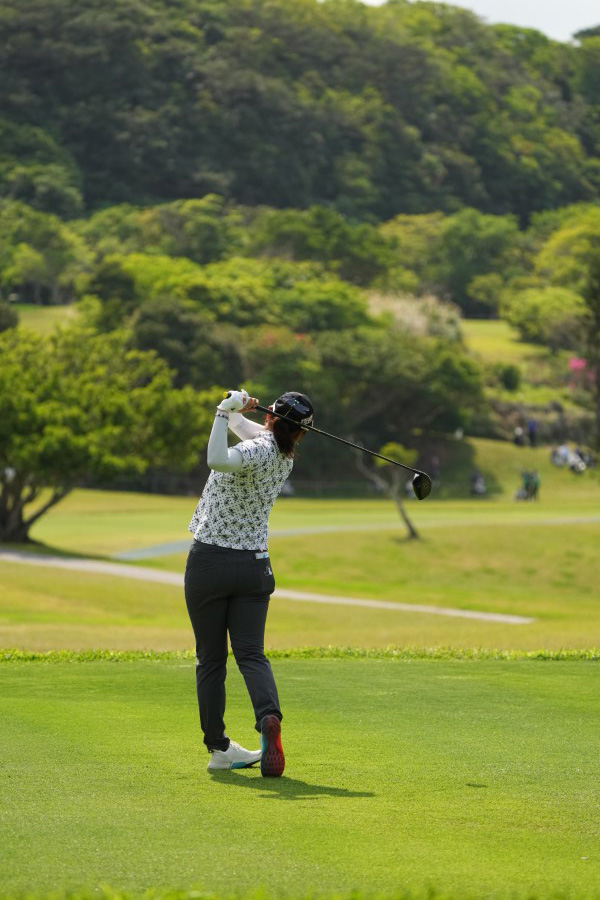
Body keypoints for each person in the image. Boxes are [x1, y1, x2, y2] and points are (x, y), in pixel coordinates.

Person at [184, 388, 314, 776]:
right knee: (251, 654)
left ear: (273, 417)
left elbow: (216, 459)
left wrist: (223, 411)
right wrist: (238, 414)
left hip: (210, 562)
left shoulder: (256, 449)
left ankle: (219, 747)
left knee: (211, 659)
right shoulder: (284, 454)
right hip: (255, 566)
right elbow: (256, 434)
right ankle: (268, 717)